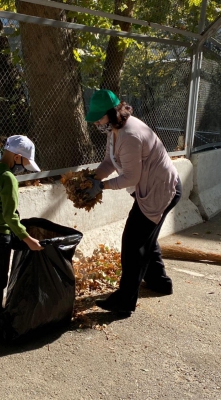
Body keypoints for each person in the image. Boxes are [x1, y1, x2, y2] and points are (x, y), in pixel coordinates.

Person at [84, 89, 182, 318]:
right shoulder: (115, 130)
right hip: (153, 188)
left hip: (161, 190)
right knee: (146, 237)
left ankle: (124, 301)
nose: (97, 122)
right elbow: (110, 160)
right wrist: (95, 178)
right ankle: (160, 283)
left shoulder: (129, 135)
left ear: (112, 112)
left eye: (99, 117)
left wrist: (102, 187)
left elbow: (130, 177)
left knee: (132, 243)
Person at [0, 135, 44, 342]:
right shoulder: (8, 178)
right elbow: (9, 216)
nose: (24, 167)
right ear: (17, 156)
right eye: (25, 162)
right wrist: (27, 238)